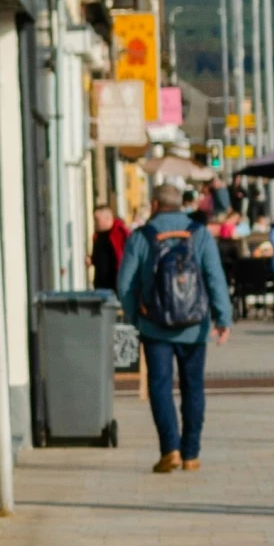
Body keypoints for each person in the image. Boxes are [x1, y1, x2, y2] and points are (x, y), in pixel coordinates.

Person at [117, 184, 233, 472]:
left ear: (155, 205)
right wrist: (223, 318)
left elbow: (125, 285)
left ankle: (170, 449)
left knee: (160, 385)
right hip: (194, 326)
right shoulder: (199, 234)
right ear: (180, 204)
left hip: (155, 327)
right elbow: (215, 277)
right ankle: (191, 453)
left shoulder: (140, 237)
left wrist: (136, 318)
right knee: (193, 387)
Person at [90, 204, 127, 292]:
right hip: (101, 285)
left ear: (107, 219)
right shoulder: (98, 236)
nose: (95, 223)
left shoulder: (119, 233)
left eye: (97, 220)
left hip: (115, 285)